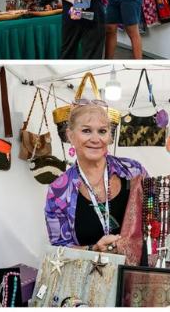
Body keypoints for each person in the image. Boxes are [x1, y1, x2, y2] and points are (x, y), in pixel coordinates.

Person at [44, 103, 147, 259]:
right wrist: (94, 249)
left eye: (102, 131)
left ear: (109, 136)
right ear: (70, 136)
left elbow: (154, 215)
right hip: (89, 278)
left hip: (136, 274)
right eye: (86, 131)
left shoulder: (133, 170)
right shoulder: (59, 190)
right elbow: (59, 248)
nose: (95, 139)